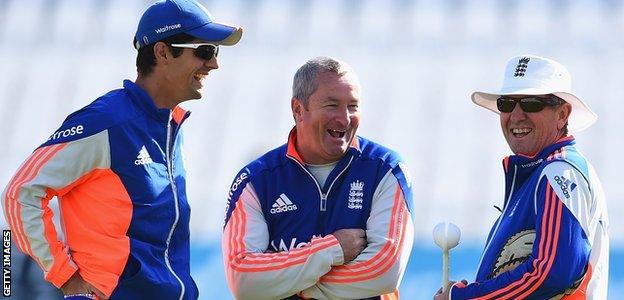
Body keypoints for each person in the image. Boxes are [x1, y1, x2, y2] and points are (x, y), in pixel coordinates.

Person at [1, 0, 242, 299]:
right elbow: (20, 193)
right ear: (163, 52)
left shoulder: (168, 126)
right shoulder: (107, 121)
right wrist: (66, 277)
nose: (214, 63)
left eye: (214, 52)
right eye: (205, 51)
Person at [222, 56, 415, 299]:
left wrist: (293, 288)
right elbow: (244, 278)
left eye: (353, 106)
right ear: (298, 110)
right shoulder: (256, 180)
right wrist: (331, 250)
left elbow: (384, 272)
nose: (345, 118)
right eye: (332, 105)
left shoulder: (385, 169)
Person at [434, 55, 609, 299]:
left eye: (531, 103)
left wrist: (465, 297)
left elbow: (551, 273)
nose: (516, 115)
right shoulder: (544, 172)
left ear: (562, 114)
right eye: (506, 104)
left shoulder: (558, 171)